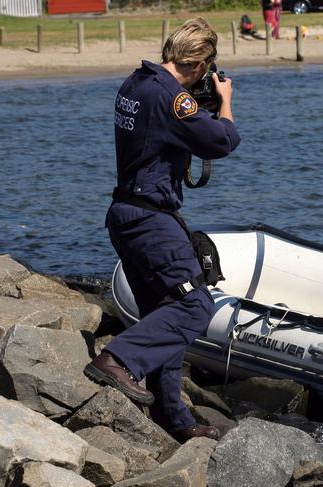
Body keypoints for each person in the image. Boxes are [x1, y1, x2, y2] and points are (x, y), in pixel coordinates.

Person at [83, 17, 240, 443]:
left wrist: (192, 102)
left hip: (125, 215)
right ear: (201, 62)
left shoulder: (136, 83)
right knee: (193, 307)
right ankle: (115, 359)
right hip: (151, 221)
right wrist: (224, 102)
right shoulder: (174, 98)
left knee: (161, 314)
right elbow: (221, 141)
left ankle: (174, 420)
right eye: (208, 69)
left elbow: (160, 130)